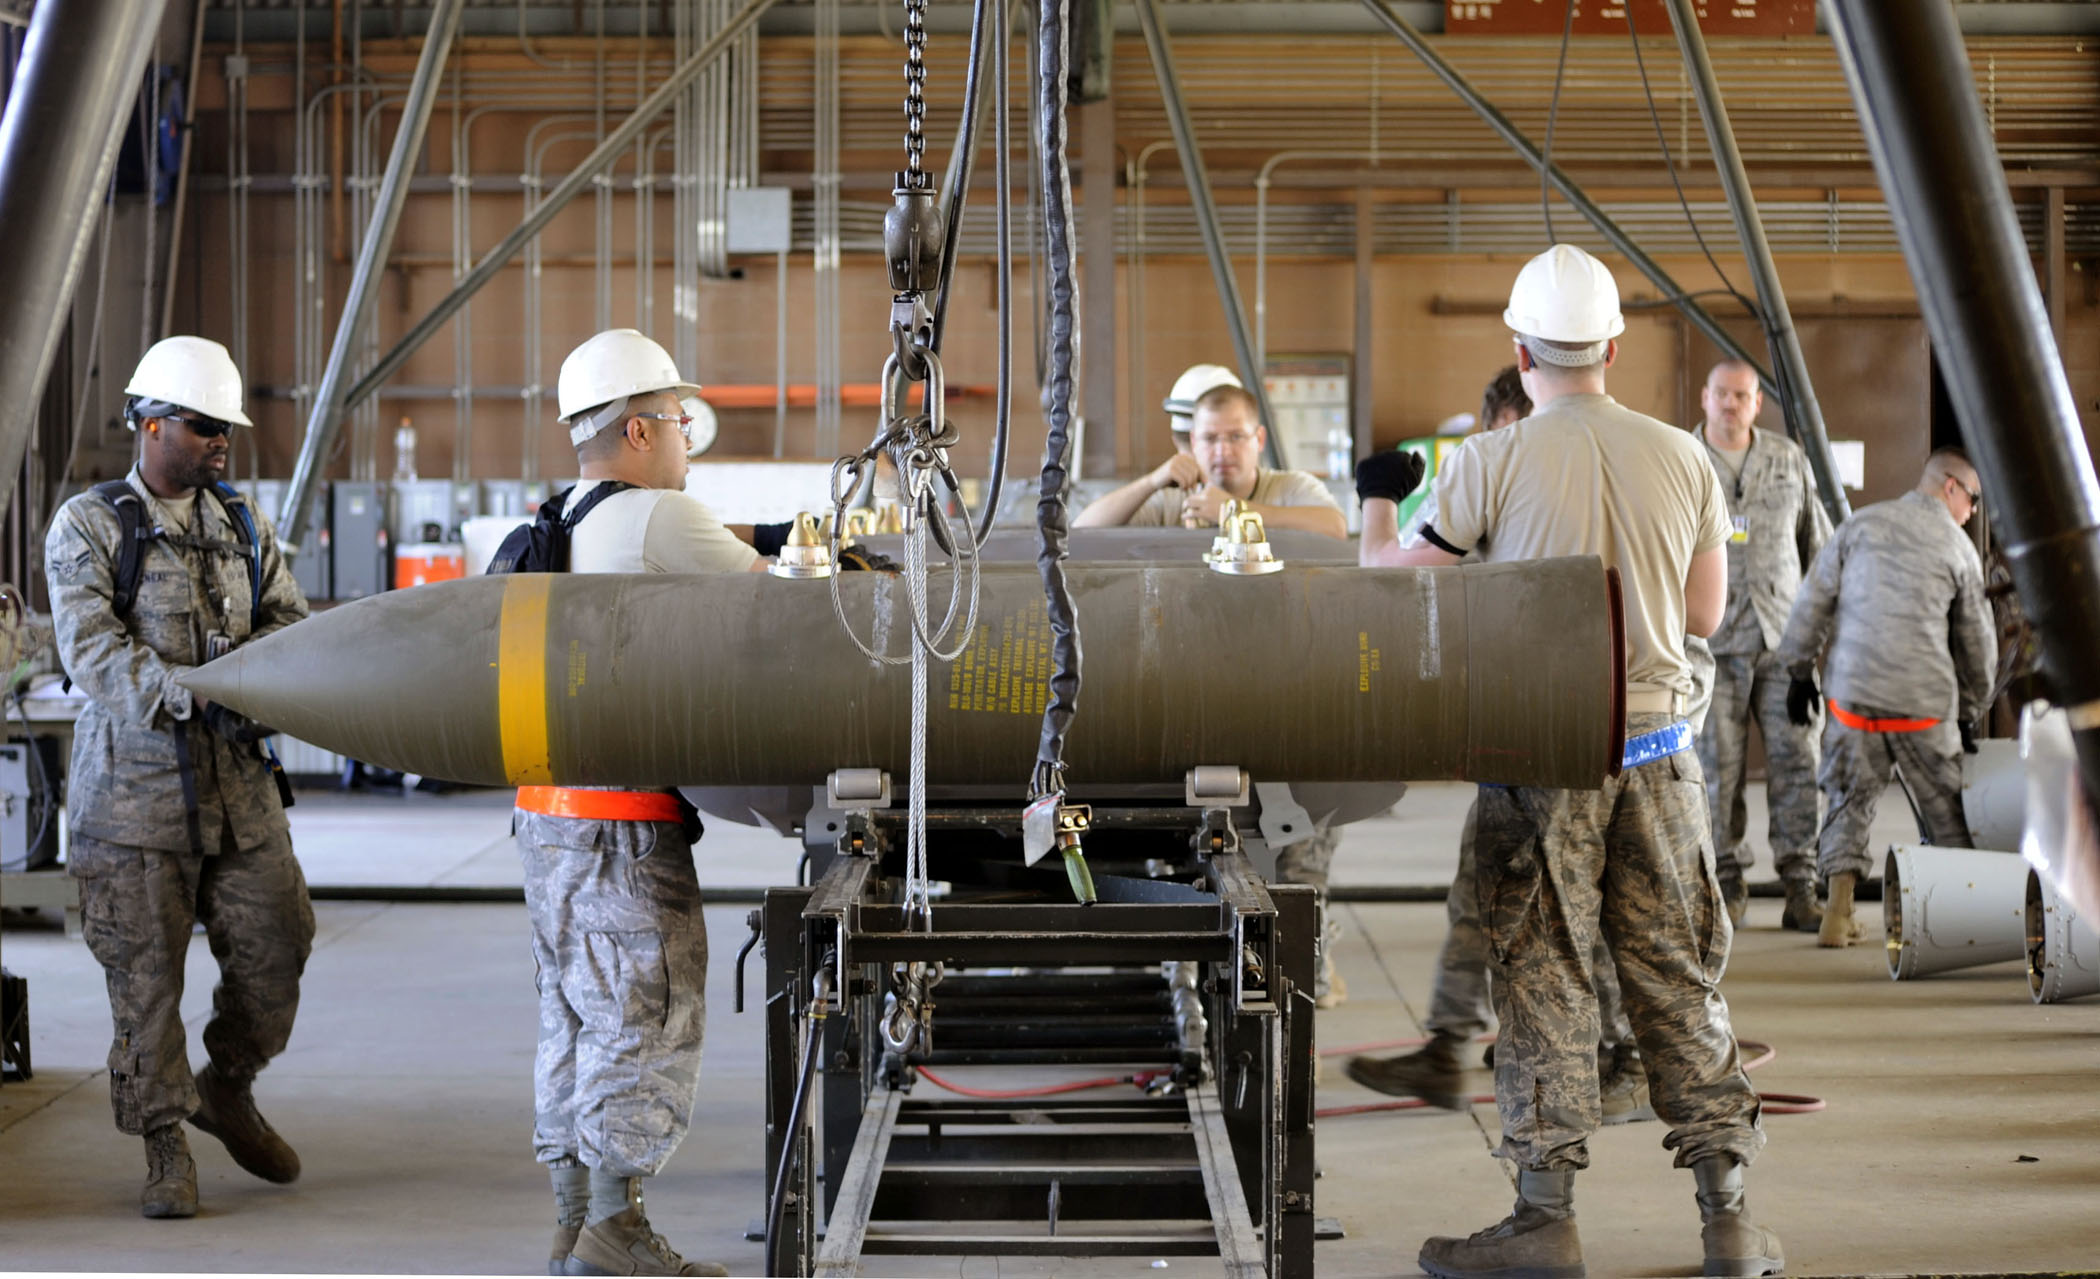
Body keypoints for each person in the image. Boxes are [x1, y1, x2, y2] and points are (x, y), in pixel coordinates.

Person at [1356, 245, 1780, 1279]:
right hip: (1662, 757)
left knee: (1540, 983)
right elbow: (1704, 614)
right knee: (1680, 981)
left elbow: (1391, 585)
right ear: (1613, 348)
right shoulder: (1686, 456)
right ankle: (1730, 1222)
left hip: (1542, 765)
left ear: (1520, 349)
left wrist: (1379, 498)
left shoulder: (1487, 462)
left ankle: (1545, 1219)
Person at [1349, 366, 1675, 1127]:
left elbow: (1388, 582)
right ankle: (1449, 1044)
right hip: (1559, 728)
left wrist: (1377, 499)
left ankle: (1611, 1064)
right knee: (1482, 890)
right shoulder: (1642, 459)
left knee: (1592, 910)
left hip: (1582, 731)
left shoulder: (1514, 468)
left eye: (1504, 433)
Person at [45, 336, 314, 1219]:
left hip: (241, 798)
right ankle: (165, 1144)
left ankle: (225, 1083)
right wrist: (199, 693)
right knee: (146, 986)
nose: (221, 442)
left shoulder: (243, 524)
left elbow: (289, 621)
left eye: (227, 428)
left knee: (280, 943)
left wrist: (273, 685)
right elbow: (93, 648)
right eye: (203, 426)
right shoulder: (90, 525)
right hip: (133, 807)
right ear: (151, 422)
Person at [521, 329, 765, 1277]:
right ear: (635, 429)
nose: (685, 441)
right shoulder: (659, 517)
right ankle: (615, 1235)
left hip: (548, 815)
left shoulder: (563, 516)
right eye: (679, 421)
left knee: (572, 1012)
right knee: (645, 1009)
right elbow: (777, 600)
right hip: (625, 820)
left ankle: (576, 1217)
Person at [1778, 448, 1996, 949]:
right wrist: (1970, 709)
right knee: (1947, 811)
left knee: (1847, 800)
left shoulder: (1859, 527)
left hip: (1853, 702)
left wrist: (1798, 672)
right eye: (1974, 499)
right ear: (1950, 488)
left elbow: (1811, 601)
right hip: (1923, 708)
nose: (1973, 513)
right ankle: (1955, 926)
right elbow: (1977, 643)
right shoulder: (1957, 547)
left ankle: (1837, 914)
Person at [1691, 359, 1833, 933]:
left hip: (1784, 647)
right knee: (1715, 772)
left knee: (1799, 761)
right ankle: (1726, 884)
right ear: (1705, 398)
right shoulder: (1681, 460)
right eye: (1721, 394)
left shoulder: (1788, 460)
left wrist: (1816, 642)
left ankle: (1802, 884)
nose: (1731, 404)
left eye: (1742, 395)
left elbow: (1818, 550)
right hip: (1710, 645)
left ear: (1756, 403)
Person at [1073, 382, 1346, 538]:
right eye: (1210, 438)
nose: (1223, 451)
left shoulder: (1290, 487)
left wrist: (1235, 511)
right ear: (1193, 442)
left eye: (1236, 436)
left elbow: (1335, 527)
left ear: (1259, 439)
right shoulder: (1172, 499)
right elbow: (1083, 531)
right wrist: (1151, 481)